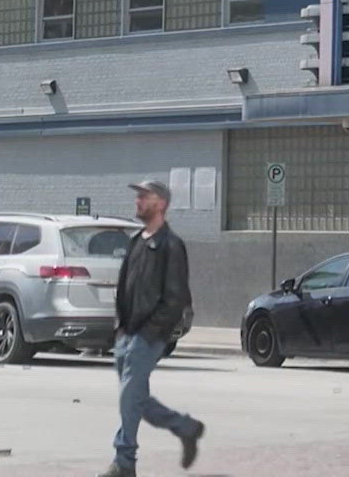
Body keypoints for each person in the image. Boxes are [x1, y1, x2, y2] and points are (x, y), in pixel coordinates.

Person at [104, 179, 204, 477]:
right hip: (127, 333)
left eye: (144, 196)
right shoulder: (137, 240)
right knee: (135, 398)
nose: (138, 201)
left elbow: (177, 298)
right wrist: (120, 327)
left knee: (129, 395)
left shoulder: (171, 245)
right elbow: (124, 286)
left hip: (148, 336)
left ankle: (124, 462)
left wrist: (150, 332)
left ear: (160, 203)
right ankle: (186, 427)